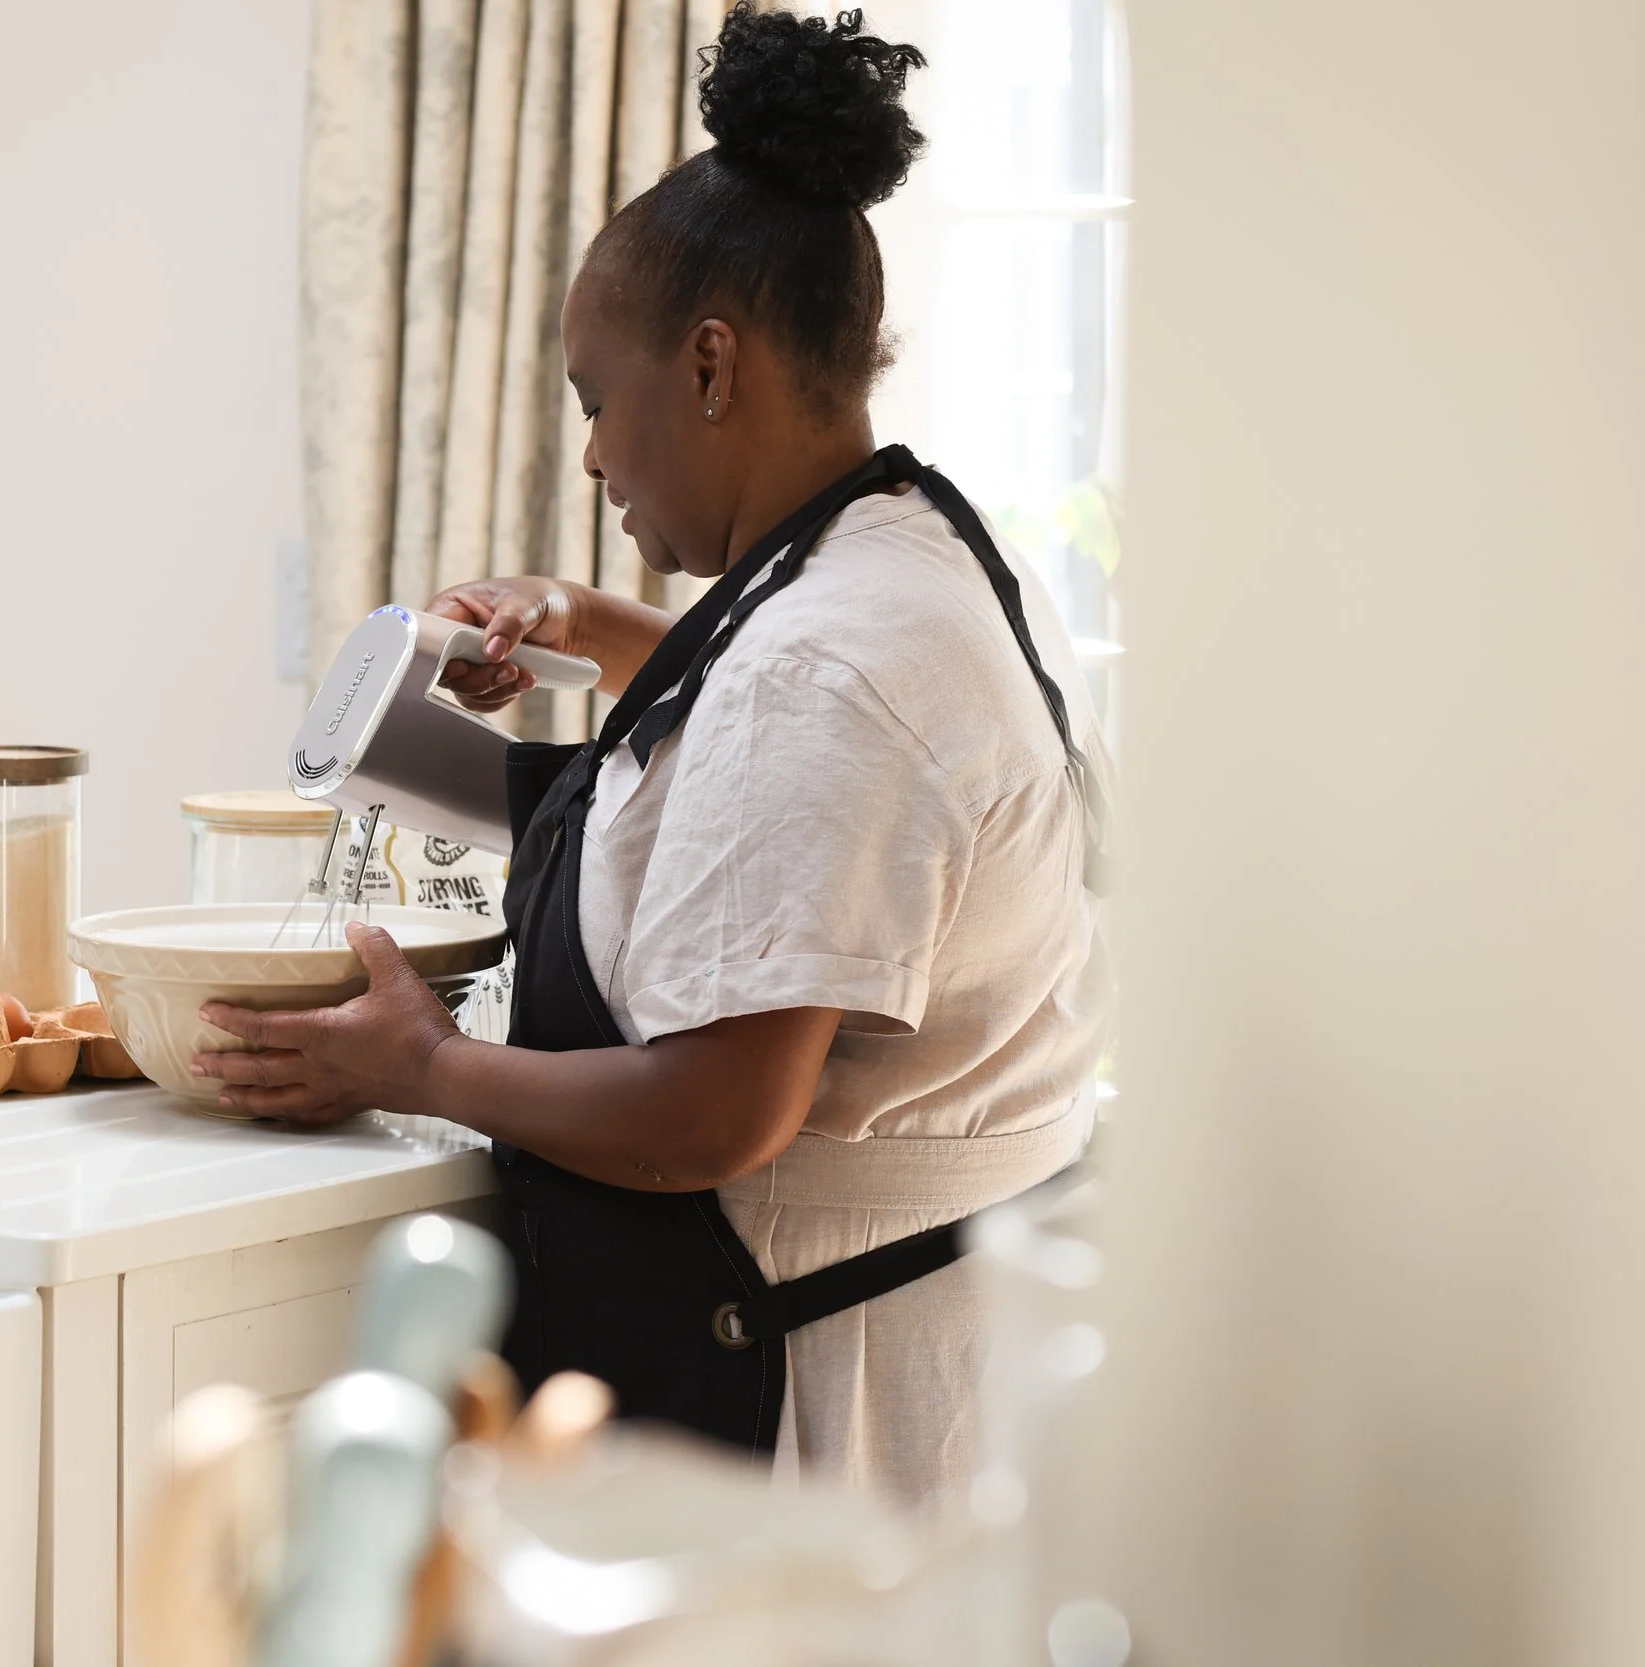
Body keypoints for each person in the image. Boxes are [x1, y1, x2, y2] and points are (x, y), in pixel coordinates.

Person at [197, 4, 1111, 1508]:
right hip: (946, 1370)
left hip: (793, 1411)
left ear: (707, 366)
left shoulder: (826, 670)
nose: (594, 456)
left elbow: (712, 1113)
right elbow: (781, 722)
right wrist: (589, 623)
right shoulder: (928, 558)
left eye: (594, 400)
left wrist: (427, 1062)